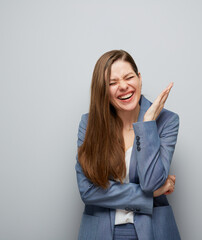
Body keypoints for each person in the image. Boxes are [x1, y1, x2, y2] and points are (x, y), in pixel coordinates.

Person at [75, 50, 180, 240]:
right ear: (103, 90)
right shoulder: (88, 124)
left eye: (129, 77)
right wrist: (151, 195)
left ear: (139, 78)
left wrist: (147, 125)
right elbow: (88, 191)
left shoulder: (167, 121)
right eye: (112, 83)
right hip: (100, 232)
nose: (123, 86)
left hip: (153, 231)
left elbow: (150, 183)